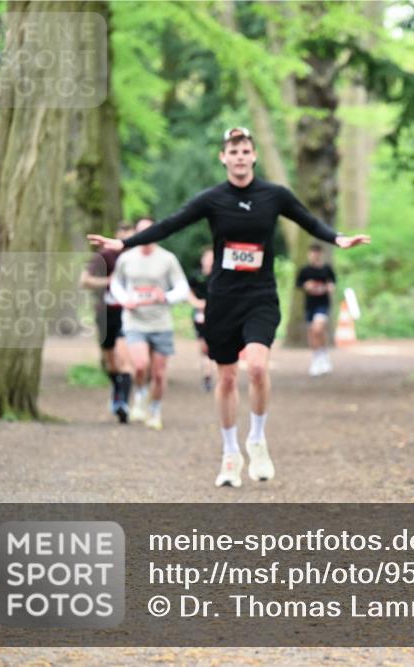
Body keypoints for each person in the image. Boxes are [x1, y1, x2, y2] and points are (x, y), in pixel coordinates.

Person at [88, 127, 370, 488]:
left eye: (245, 151)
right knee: (225, 377)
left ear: (253, 156)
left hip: (260, 297)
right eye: (232, 151)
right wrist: (123, 243)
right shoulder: (212, 199)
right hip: (223, 299)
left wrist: (338, 238)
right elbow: (170, 225)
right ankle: (229, 453)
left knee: (255, 367)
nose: (239, 156)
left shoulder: (274, 195)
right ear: (224, 158)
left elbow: (307, 220)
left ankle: (257, 438)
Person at [109, 217, 190, 431]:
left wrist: (166, 296)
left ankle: (155, 410)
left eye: (150, 231)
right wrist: (124, 298)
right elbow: (116, 283)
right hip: (134, 320)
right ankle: (141, 395)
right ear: (136, 233)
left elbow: (182, 287)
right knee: (140, 365)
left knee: (159, 374)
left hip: (161, 322)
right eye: (142, 231)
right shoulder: (127, 259)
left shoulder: (167, 259)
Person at [79, 222, 134, 423]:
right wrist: (109, 281)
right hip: (105, 313)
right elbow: (84, 281)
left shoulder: (137, 258)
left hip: (128, 314)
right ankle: (117, 389)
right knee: (110, 360)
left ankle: (123, 404)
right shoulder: (104, 256)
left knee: (125, 359)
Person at [295, 243, 337, 376]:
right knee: (313, 332)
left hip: (323, 304)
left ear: (321, 254)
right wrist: (306, 286)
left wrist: (330, 287)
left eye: (317, 253)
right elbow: (298, 284)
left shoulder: (326, 269)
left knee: (318, 328)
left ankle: (323, 355)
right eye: (312, 253)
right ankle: (317, 358)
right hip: (310, 304)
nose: (315, 255)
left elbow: (333, 282)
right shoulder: (305, 270)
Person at [187, 247, 216, 392]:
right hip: (199, 315)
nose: (209, 261)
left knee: (213, 346)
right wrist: (197, 304)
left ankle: (209, 372)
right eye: (207, 257)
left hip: (217, 315)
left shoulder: (219, 276)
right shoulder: (196, 276)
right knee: (204, 347)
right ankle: (207, 375)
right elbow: (188, 292)